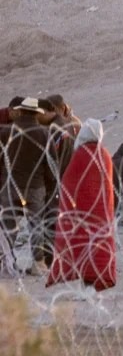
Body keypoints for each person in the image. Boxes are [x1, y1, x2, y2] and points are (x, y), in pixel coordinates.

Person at [46, 118, 116, 291]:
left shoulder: (80, 156)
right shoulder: (105, 155)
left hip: (80, 215)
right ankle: (92, 286)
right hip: (101, 215)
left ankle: (85, 284)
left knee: (80, 247)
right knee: (97, 247)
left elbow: (68, 184)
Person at [2, 97, 56, 275]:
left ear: (21, 111)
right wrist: (50, 187)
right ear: (36, 113)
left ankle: (6, 263)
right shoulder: (44, 133)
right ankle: (37, 264)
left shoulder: (5, 131)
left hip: (10, 186)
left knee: (9, 226)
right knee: (36, 226)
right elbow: (51, 165)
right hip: (36, 187)